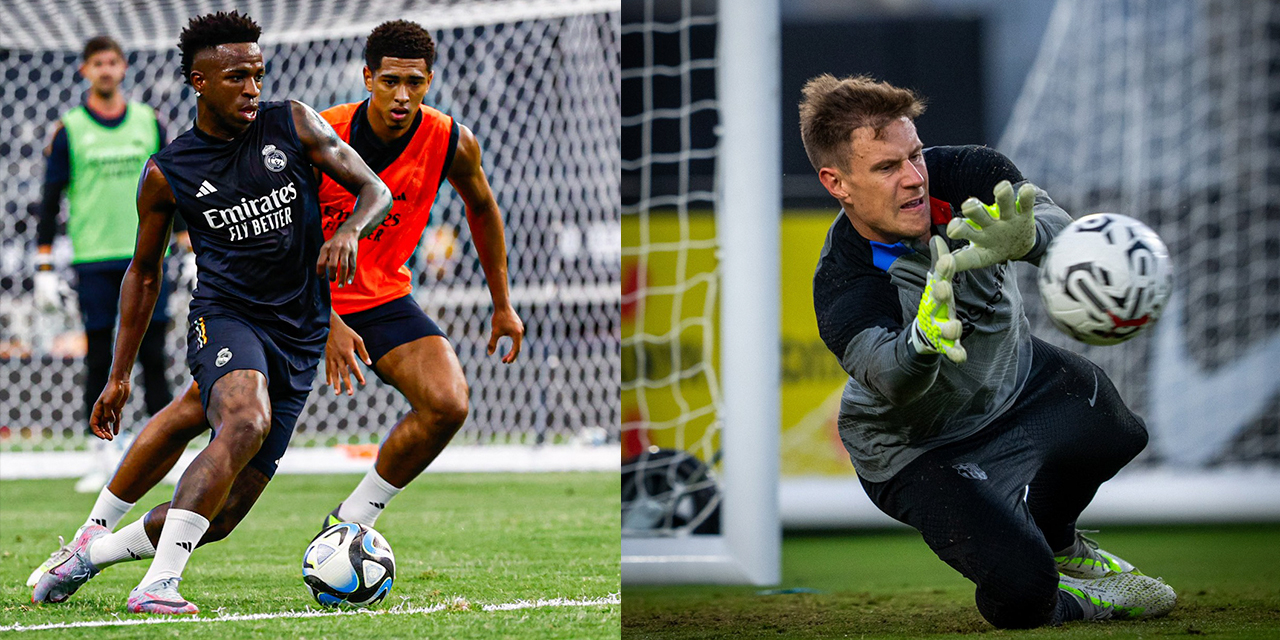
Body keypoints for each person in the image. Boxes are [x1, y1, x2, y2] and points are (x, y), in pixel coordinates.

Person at [28, 18, 525, 610]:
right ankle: (156, 583)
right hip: (230, 314)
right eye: (237, 76)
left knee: (225, 508)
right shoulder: (169, 171)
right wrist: (117, 375)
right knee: (243, 418)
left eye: (257, 75)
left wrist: (354, 238)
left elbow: (386, 194)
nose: (251, 88)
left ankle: (91, 552)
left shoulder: (293, 123)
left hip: (310, 319)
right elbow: (145, 272)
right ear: (199, 81)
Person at [801, 74, 1176, 628]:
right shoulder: (843, 280)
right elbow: (891, 378)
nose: (913, 179)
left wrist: (1030, 240)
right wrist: (922, 344)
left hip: (1017, 381)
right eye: (886, 168)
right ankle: (1085, 597)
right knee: (1022, 594)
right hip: (915, 444)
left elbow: (1062, 235)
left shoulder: (969, 174)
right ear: (837, 182)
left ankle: (1058, 542)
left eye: (915, 155)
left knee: (1119, 432)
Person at [36, 35, 180, 493]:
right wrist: (43, 266)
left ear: (122, 68)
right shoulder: (69, 129)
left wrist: (190, 247)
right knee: (100, 355)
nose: (105, 69)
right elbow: (50, 197)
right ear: (85, 71)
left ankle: (163, 452)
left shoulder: (149, 123)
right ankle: (102, 454)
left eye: (112, 62)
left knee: (153, 355)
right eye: (97, 63)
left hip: (149, 253)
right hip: (94, 258)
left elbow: (177, 187)